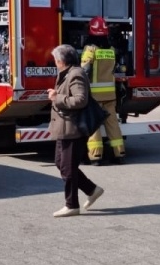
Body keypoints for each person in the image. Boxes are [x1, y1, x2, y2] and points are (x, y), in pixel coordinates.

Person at [47, 44, 104, 217]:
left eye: (56, 60)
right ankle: (92, 190)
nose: (55, 63)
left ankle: (71, 205)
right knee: (61, 163)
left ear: (61, 60)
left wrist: (58, 98)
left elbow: (80, 100)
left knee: (68, 168)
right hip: (64, 128)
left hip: (73, 129)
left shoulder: (76, 74)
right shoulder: (67, 73)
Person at [80, 16, 126, 164]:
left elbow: (85, 70)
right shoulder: (111, 50)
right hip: (110, 95)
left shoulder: (90, 49)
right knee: (113, 124)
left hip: (94, 96)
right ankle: (119, 153)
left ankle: (96, 156)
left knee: (93, 125)